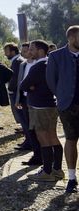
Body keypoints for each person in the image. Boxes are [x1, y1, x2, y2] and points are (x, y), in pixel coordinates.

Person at [20, 40, 64, 182]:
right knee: (53, 137)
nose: (29, 52)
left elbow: (24, 85)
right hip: (51, 105)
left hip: (39, 106)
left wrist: (32, 87)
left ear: (40, 51)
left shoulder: (38, 67)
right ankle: (57, 169)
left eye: (32, 49)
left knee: (43, 138)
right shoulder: (51, 64)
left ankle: (47, 172)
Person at [46, 25, 79, 194]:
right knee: (71, 140)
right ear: (71, 38)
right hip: (67, 105)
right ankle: (72, 178)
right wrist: (62, 95)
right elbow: (51, 81)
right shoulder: (56, 56)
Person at [17, 43, 42, 167]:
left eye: (28, 50)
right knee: (30, 129)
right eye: (24, 51)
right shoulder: (23, 65)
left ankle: (43, 157)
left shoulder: (39, 64)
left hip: (37, 100)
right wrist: (18, 99)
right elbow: (20, 83)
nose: (25, 53)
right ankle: (36, 155)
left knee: (40, 130)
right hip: (25, 99)